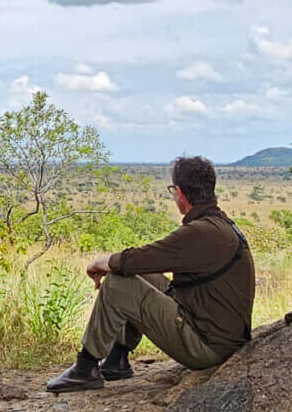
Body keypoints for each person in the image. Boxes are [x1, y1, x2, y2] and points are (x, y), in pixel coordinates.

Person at [47, 155, 255, 394]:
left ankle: (86, 367)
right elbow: (147, 263)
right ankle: (117, 358)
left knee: (117, 283)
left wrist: (104, 262)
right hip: (219, 334)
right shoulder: (219, 225)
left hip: (207, 348)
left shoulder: (201, 232)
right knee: (144, 276)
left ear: (179, 193)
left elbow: (143, 257)